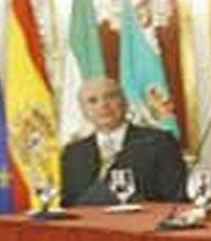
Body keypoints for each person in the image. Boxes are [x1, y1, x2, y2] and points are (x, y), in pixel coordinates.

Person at [60, 76, 186, 206]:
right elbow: (68, 206)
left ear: (125, 102)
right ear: (84, 112)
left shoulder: (160, 143)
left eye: (110, 96)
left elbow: (176, 201)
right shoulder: (72, 153)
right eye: (92, 101)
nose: (103, 105)